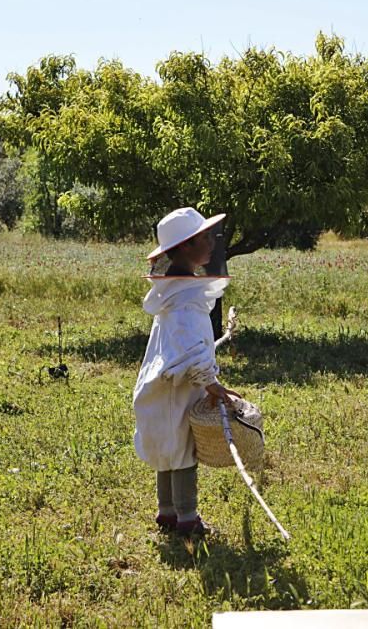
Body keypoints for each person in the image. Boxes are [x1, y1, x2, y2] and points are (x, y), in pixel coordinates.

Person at [132, 207, 239, 537]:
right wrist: (212, 384)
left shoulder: (176, 291)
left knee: (169, 447)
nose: (210, 243)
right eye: (202, 238)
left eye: (208, 236)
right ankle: (188, 520)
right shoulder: (185, 298)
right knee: (181, 451)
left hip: (169, 382)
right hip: (180, 385)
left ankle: (166, 514)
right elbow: (191, 348)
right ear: (183, 248)